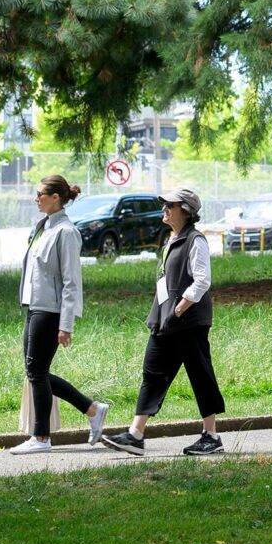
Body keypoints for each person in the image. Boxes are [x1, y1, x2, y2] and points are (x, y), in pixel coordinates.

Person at [101, 188, 226, 455]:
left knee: (200, 375)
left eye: (171, 204)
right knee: (152, 372)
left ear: (187, 210)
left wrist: (180, 308)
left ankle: (211, 436)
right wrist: (162, 313)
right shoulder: (171, 239)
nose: (165, 208)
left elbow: (202, 279)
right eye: (165, 204)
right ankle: (135, 435)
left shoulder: (195, 240)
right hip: (166, 319)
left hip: (188, 320)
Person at [10, 175, 108, 454]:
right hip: (34, 306)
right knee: (35, 372)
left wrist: (65, 324)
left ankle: (41, 438)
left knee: (36, 372)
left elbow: (71, 282)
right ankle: (92, 409)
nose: (35, 198)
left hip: (50, 310)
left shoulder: (66, 232)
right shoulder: (44, 227)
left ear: (56, 197)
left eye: (40, 193)